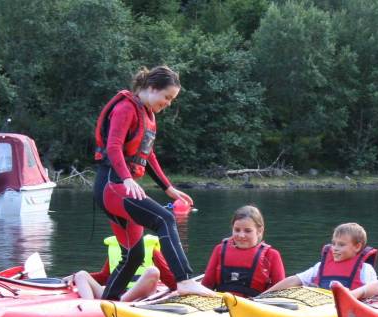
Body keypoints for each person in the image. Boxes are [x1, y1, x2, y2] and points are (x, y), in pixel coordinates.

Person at [93, 65, 214, 299]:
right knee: (165, 219)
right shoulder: (125, 108)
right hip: (113, 186)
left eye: (171, 99)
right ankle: (185, 280)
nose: (168, 103)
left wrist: (169, 189)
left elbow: (148, 157)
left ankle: (108, 306)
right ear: (150, 88)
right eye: (167, 97)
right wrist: (127, 178)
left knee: (134, 255)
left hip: (119, 188)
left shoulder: (147, 116)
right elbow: (114, 146)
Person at [201, 206, 286, 297]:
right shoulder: (219, 249)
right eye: (237, 230)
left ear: (259, 231)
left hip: (255, 307)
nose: (241, 235)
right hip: (219, 306)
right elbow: (206, 285)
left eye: (247, 231)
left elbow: (280, 292)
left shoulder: (272, 255)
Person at [266, 223, 376, 292]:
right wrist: (262, 296)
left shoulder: (366, 270)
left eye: (341, 245)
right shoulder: (320, 267)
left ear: (357, 247)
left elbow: (372, 295)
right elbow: (295, 280)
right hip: (320, 312)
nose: (335, 248)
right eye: (333, 243)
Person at [67, 234, 177, 302]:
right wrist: (74, 278)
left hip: (131, 295)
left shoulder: (147, 246)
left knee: (153, 271)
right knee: (80, 275)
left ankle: (115, 304)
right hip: (119, 295)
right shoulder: (116, 248)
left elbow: (105, 277)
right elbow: (106, 277)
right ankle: (90, 308)